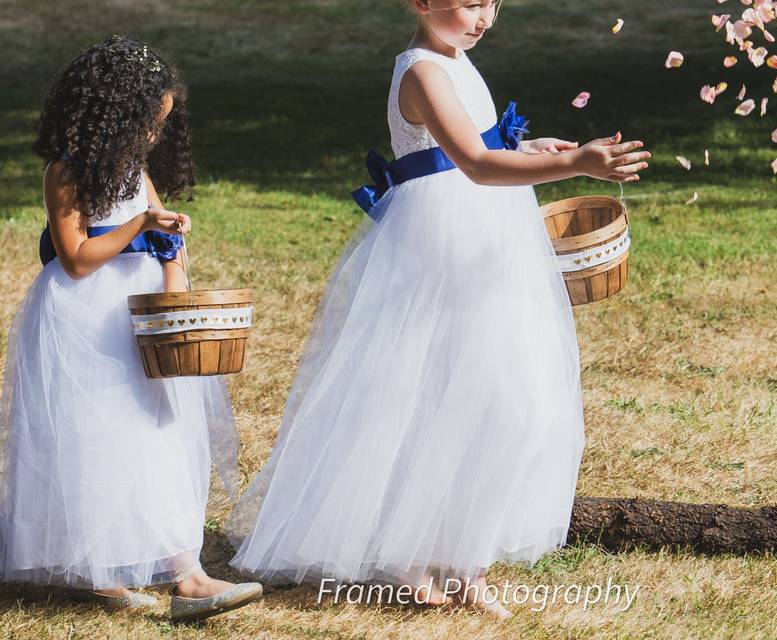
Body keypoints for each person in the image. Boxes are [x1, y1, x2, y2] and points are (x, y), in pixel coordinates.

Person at [227, 0, 650, 618]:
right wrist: (575, 163)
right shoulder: (423, 70)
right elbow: (474, 166)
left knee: (507, 398)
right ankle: (410, 551)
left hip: (490, 241)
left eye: (493, 4)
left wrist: (530, 147)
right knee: (435, 390)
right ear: (423, 2)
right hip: (442, 241)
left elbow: (473, 143)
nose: (485, 18)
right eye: (471, 3)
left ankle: (465, 559)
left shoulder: (459, 61)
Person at [0, 35, 262, 623]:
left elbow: (161, 236)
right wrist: (141, 221)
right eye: (147, 123)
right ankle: (98, 569)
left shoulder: (137, 172)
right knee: (96, 429)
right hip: (84, 314)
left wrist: (172, 256)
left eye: (160, 126)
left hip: (138, 313)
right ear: (112, 116)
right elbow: (76, 257)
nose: (152, 137)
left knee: (157, 427)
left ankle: (186, 572)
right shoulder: (65, 173)